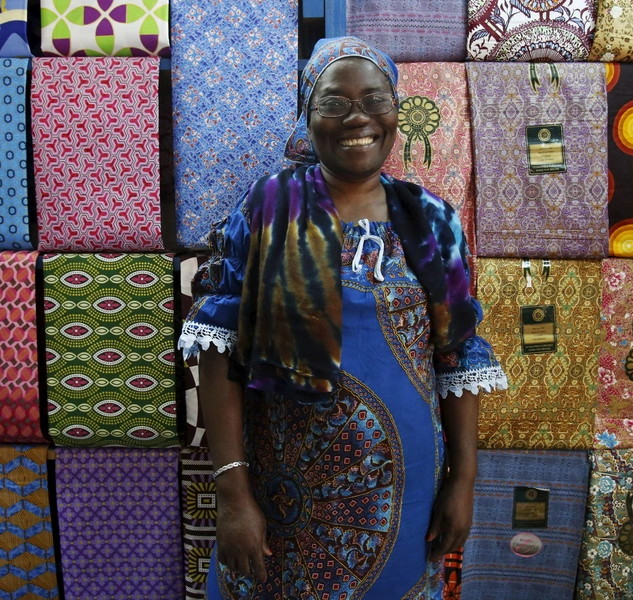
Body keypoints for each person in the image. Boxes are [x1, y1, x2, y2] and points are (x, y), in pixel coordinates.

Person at [179, 37, 508, 599]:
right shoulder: (270, 209)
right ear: (309, 116)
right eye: (334, 102)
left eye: (374, 98)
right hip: (285, 500)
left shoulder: (430, 221)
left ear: (396, 109)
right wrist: (233, 496)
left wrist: (464, 480)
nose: (358, 117)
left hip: (408, 501)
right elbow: (218, 351)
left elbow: (456, 355)